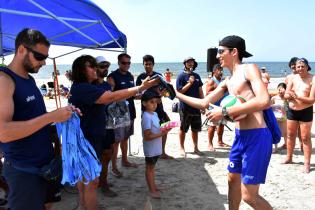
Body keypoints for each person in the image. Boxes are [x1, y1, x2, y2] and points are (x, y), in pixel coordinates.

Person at [176, 35, 273, 209]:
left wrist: (224, 111)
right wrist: (174, 93)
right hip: (239, 136)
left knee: (249, 196)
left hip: (257, 136)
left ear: (234, 52)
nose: (217, 56)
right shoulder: (227, 80)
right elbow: (203, 103)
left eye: (221, 51)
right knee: (232, 180)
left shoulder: (249, 69)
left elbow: (264, 100)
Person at [0, 28, 78, 210]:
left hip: (46, 165)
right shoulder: (4, 80)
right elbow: (3, 133)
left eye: (45, 57)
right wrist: (51, 116)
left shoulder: (29, 79)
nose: (44, 62)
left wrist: (61, 116)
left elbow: (33, 118)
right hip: (24, 170)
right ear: (21, 50)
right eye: (39, 56)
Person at [69, 55, 159, 210]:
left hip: (90, 137)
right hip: (87, 140)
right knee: (92, 181)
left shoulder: (92, 85)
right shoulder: (83, 88)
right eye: (91, 66)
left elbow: (110, 94)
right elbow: (111, 96)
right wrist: (140, 87)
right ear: (81, 70)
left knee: (86, 178)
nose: (96, 69)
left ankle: (83, 205)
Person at [107, 53, 138, 178]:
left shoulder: (130, 76)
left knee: (125, 138)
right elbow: (109, 95)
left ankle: (125, 161)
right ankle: (114, 167)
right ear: (118, 63)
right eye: (124, 63)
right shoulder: (112, 77)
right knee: (116, 142)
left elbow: (134, 93)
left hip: (130, 111)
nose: (127, 65)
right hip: (118, 115)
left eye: (129, 63)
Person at [136, 55, 173, 159]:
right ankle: (153, 153)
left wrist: (161, 95)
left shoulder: (158, 76)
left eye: (150, 64)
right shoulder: (140, 77)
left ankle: (162, 152)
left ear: (153, 64)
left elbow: (166, 93)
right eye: (146, 64)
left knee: (166, 127)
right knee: (150, 131)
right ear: (143, 64)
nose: (148, 66)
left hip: (159, 108)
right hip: (146, 109)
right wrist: (148, 99)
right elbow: (136, 95)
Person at [283, 58, 315, 173]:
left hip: (305, 111)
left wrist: (297, 97)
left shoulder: (313, 79)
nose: (300, 68)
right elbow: (286, 94)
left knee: (305, 138)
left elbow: (312, 100)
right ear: (295, 68)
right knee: (290, 135)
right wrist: (288, 95)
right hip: (292, 110)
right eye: (298, 66)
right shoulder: (292, 78)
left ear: (307, 67)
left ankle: (307, 163)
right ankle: (289, 157)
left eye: (302, 66)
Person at [93, 56, 118, 197]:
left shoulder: (107, 85)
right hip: (95, 127)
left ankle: (103, 181)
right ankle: (100, 183)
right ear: (95, 67)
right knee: (96, 156)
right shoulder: (90, 85)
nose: (105, 68)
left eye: (107, 65)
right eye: (102, 65)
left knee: (108, 154)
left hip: (108, 124)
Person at [141, 90, 171, 199]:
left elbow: (157, 128)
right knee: (149, 168)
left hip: (156, 147)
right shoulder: (145, 117)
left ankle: (153, 187)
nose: (155, 104)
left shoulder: (155, 113)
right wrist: (162, 133)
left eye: (156, 102)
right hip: (150, 149)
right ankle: (151, 190)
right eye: (151, 102)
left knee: (152, 168)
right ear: (144, 103)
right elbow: (147, 136)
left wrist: (166, 127)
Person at [176, 57, 204, 157]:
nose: (190, 63)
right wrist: (189, 83)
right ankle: (181, 148)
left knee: (195, 129)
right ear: (185, 64)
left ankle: (196, 148)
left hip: (196, 106)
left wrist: (203, 103)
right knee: (183, 128)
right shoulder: (181, 76)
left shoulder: (197, 75)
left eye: (192, 62)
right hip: (185, 107)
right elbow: (179, 92)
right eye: (188, 62)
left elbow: (200, 90)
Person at [205, 63, 229, 151]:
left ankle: (220, 141)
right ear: (214, 71)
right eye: (218, 69)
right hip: (214, 107)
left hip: (223, 107)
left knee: (222, 125)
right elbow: (207, 93)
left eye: (221, 69)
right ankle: (210, 144)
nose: (220, 71)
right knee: (212, 126)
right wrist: (219, 90)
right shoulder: (212, 81)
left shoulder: (223, 80)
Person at [283, 57, 302, 151]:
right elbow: (286, 91)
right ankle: (287, 144)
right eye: (292, 65)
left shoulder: (302, 76)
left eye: (295, 65)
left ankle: (302, 144)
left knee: (301, 128)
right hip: (289, 103)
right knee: (289, 127)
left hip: (301, 104)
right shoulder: (288, 77)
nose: (293, 67)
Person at [271, 83, 287, 153]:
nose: (280, 91)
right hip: (275, 118)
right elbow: (269, 107)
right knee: (275, 132)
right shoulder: (274, 98)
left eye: (282, 89)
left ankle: (287, 145)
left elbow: (288, 108)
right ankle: (276, 148)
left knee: (285, 133)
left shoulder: (286, 99)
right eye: (279, 89)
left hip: (284, 118)